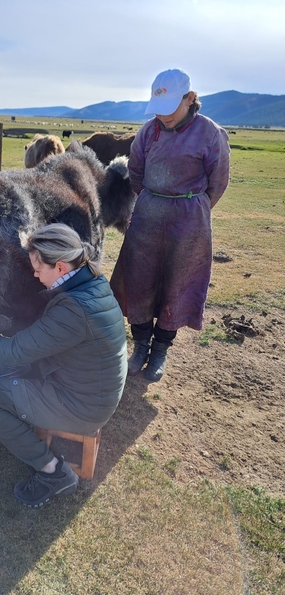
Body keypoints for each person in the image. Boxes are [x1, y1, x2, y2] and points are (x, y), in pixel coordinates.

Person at [0, 223, 128, 507]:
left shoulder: (73, 311)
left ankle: (53, 471)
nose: (36, 276)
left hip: (82, 406)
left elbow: (16, 351)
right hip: (93, 389)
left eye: (39, 269)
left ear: (61, 268)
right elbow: (43, 329)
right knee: (2, 374)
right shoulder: (92, 281)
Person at [110, 68, 230, 382]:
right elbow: (136, 172)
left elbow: (217, 183)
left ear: (190, 99)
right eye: (158, 110)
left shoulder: (210, 133)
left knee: (177, 284)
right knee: (139, 280)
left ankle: (160, 350)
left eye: (169, 109)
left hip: (189, 221)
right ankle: (140, 345)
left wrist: (192, 206)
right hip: (148, 215)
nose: (163, 117)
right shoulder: (148, 132)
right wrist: (155, 200)